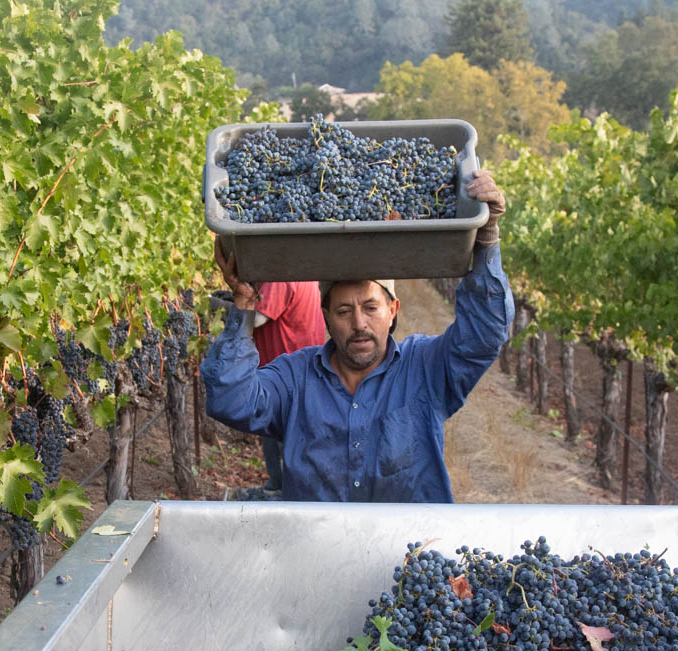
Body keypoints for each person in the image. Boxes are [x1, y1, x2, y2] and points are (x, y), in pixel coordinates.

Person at [202, 170, 512, 502]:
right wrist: (244, 307)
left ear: (393, 310)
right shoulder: (295, 378)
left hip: (412, 551)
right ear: (327, 317)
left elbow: (484, 334)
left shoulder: (426, 368)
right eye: (344, 311)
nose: (359, 323)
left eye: (371, 307)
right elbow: (229, 400)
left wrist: (487, 237)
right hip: (321, 550)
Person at [251, 281, 328, 495]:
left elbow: (257, 318)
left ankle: (285, 494)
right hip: (302, 369)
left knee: (286, 437)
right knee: (292, 437)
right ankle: (284, 489)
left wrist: (229, 308)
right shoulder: (307, 276)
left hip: (284, 376)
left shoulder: (279, 280)